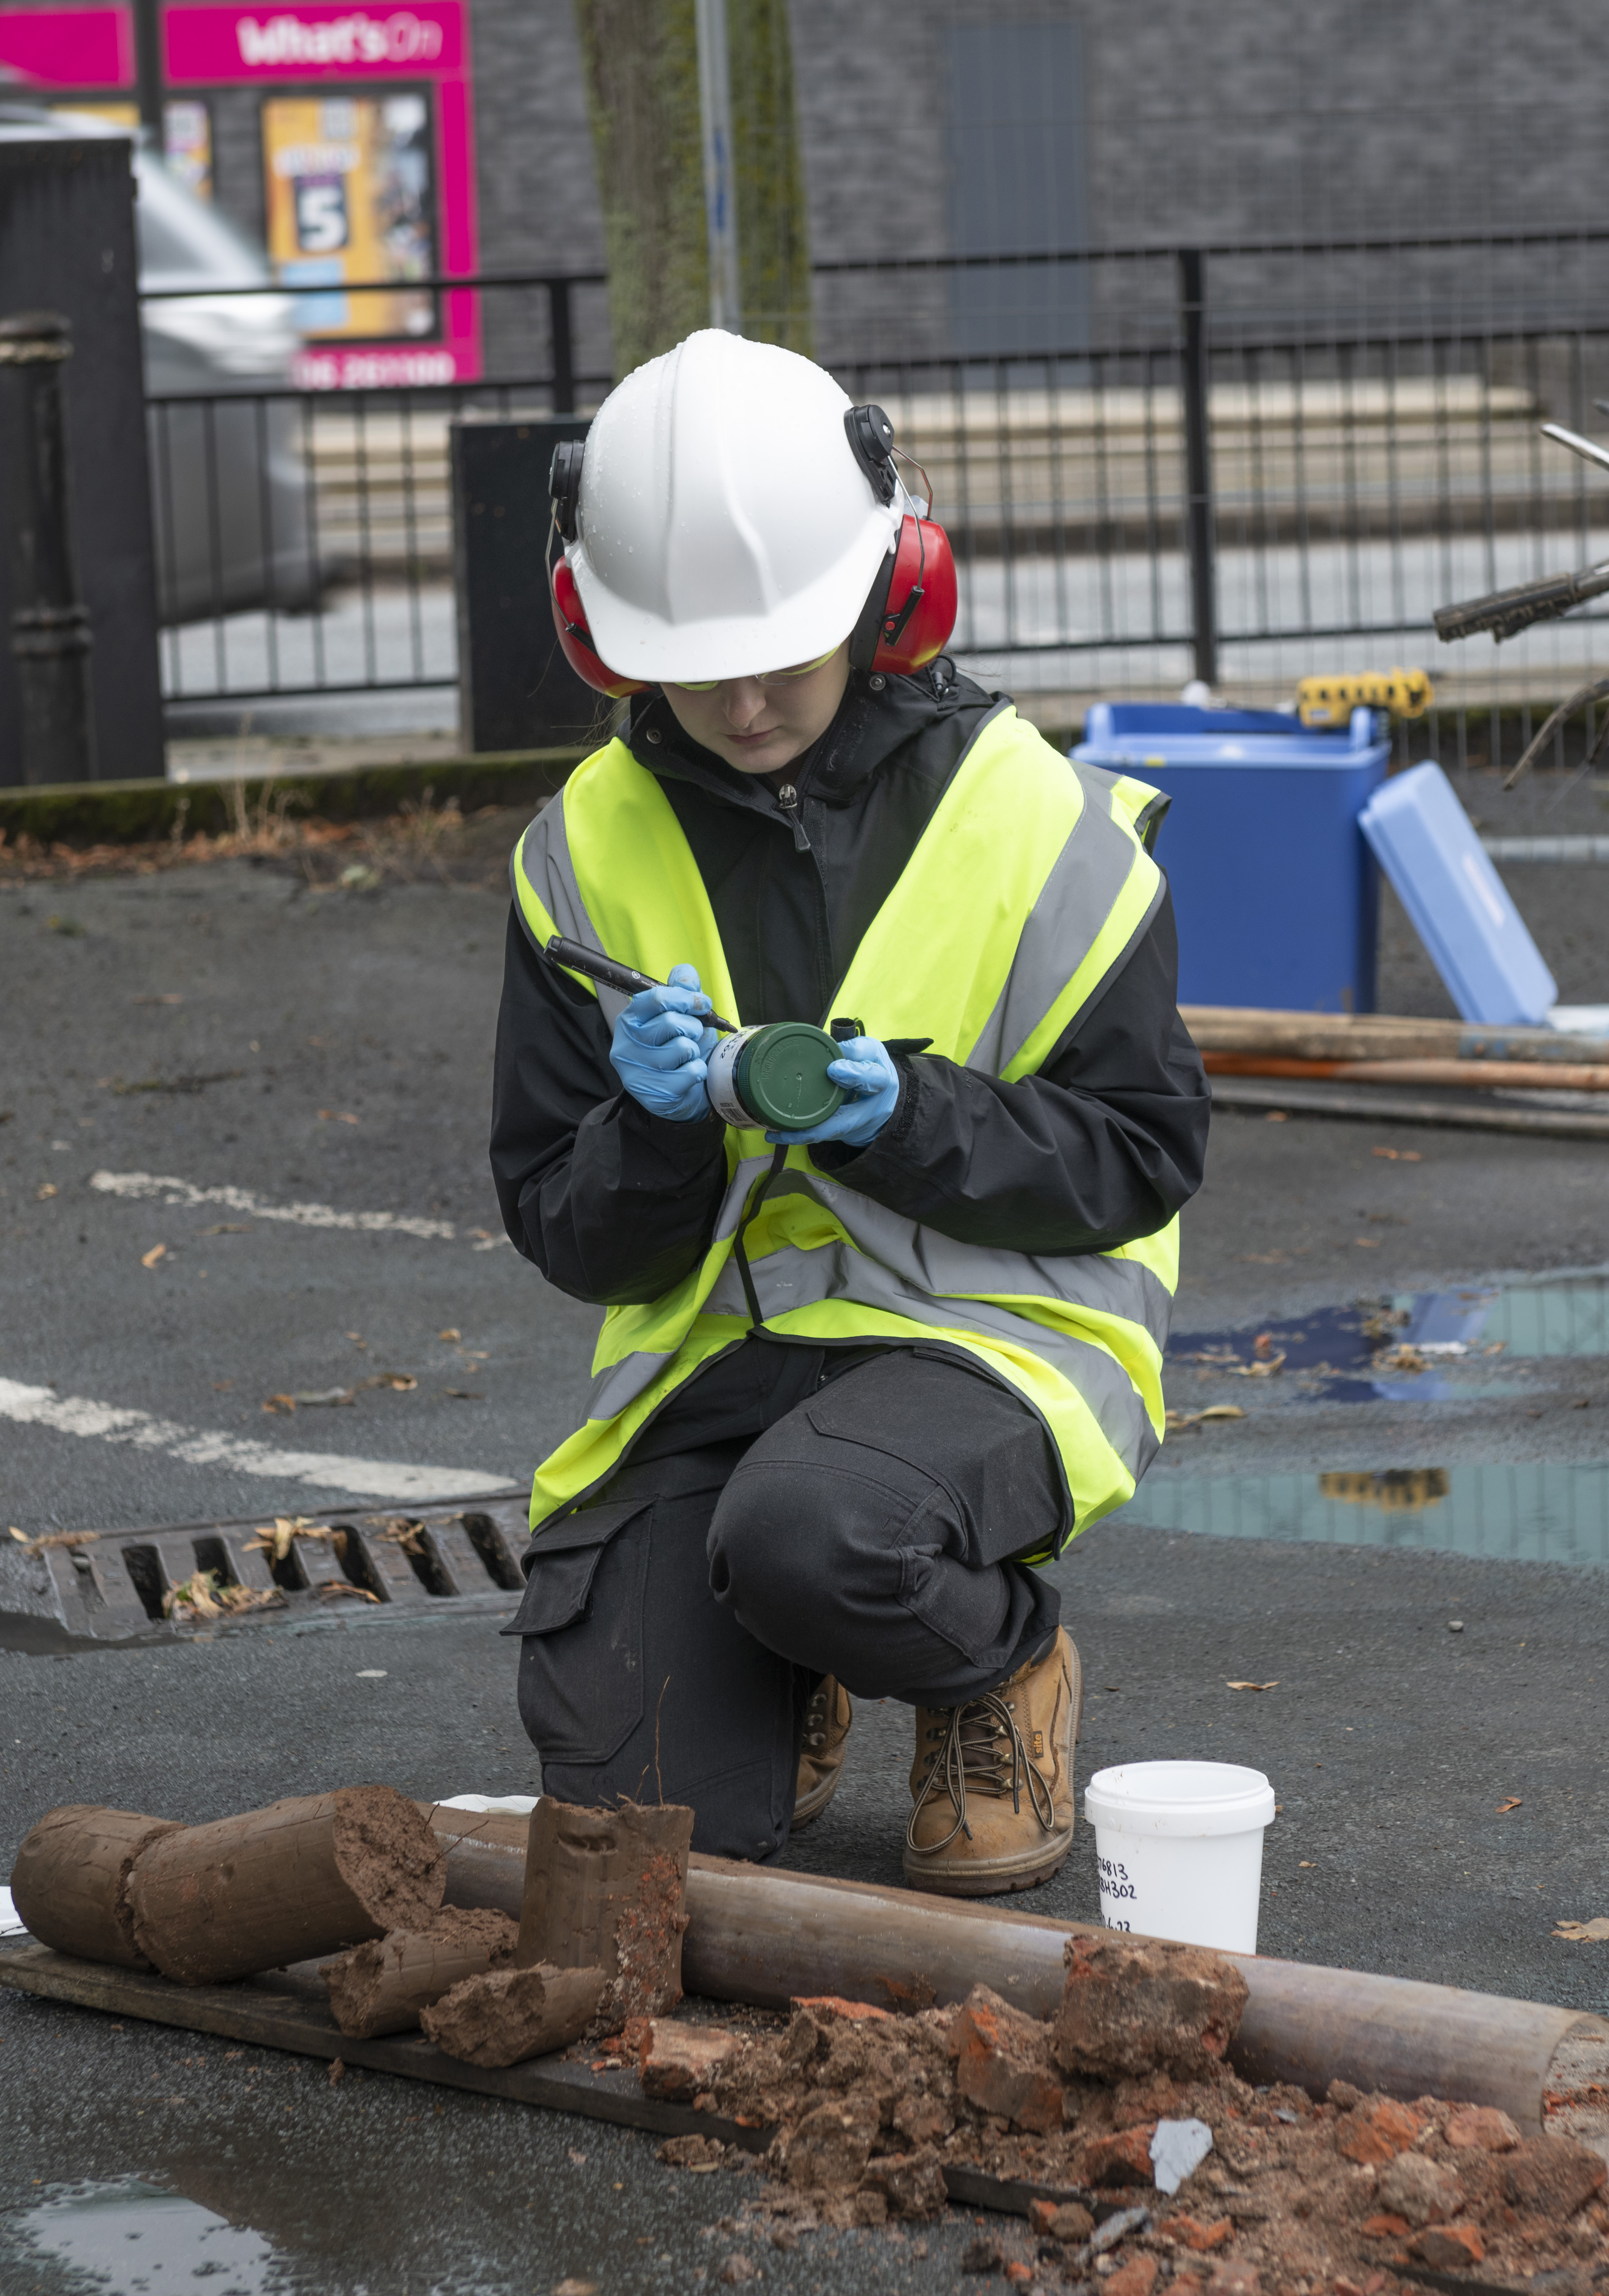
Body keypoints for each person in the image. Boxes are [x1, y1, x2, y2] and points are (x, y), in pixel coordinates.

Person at [486, 329, 1209, 1892]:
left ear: (893, 594)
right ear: (603, 637)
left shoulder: (1036, 818)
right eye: (698, 663)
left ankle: (993, 1665)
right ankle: (776, 1652)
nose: (744, 701)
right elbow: (562, 1218)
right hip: (719, 1368)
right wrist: (651, 1132)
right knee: (645, 1833)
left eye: (784, 653)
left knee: (817, 1528)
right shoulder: (575, 853)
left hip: (997, 1344)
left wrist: (906, 1118)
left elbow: (1143, 1153)